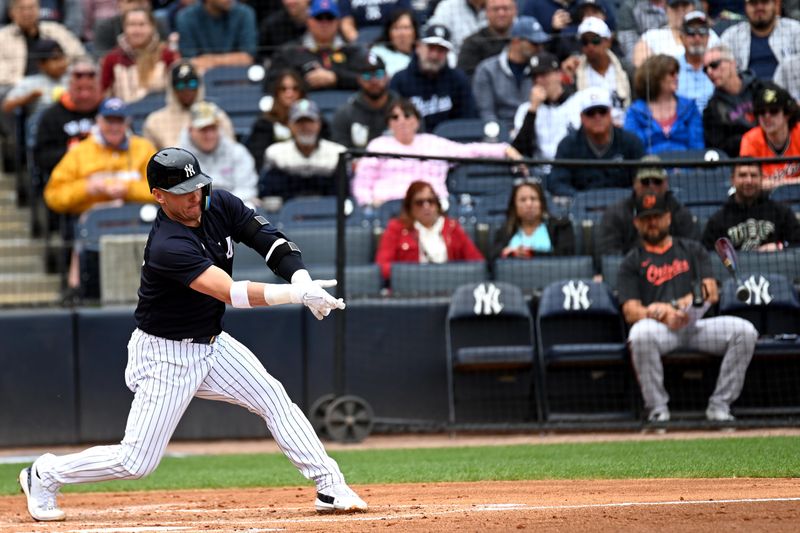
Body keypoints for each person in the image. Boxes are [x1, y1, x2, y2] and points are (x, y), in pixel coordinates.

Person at [19, 146, 367, 523]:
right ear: (158, 196)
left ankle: (330, 485)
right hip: (166, 355)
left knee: (273, 398)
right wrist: (295, 295)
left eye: (197, 186)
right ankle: (44, 473)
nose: (194, 197)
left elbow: (269, 240)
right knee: (136, 462)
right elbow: (229, 292)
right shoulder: (168, 245)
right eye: (183, 191)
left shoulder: (218, 204)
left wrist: (302, 279)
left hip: (212, 343)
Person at [619, 190, 758, 423]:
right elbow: (631, 311)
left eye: (657, 216)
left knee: (745, 332)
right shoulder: (631, 260)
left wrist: (676, 306)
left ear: (668, 217)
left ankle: (720, 406)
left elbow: (710, 291)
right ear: (637, 223)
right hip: (661, 330)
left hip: (697, 325)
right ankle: (657, 410)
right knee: (639, 334)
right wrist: (657, 313)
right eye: (646, 218)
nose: (652, 222)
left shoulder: (692, 249)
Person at [43, 97, 157, 297]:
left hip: (136, 220)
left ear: (127, 123)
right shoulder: (80, 152)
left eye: (118, 121)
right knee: (83, 229)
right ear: (99, 121)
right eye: (109, 121)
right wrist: (87, 188)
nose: (114, 126)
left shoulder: (143, 148)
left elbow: (164, 190)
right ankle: (79, 290)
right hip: (93, 222)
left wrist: (128, 189)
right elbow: (53, 195)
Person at [352, 98, 522, 207]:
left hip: (432, 206)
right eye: (395, 118)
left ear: (417, 121)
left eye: (407, 115)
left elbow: (469, 150)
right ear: (389, 124)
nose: (401, 121)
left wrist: (504, 149)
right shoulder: (378, 145)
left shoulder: (432, 142)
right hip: (390, 208)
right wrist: (368, 204)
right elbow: (362, 183)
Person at [595, 154, 698, 259]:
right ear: (635, 183)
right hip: (632, 272)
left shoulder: (680, 213)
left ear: (666, 183)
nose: (651, 186)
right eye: (645, 182)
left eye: (657, 181)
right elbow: (609, 258)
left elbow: (691, 253)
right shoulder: (615, 215)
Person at [375, 180, 483, 280]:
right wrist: (410, 275)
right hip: (411, 289)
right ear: (409, 207)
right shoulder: (397, 228)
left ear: (437, 204)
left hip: (448, 285)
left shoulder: (452, 227)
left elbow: (477, 262)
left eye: (431, 201)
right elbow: (382, 266)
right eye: (419, 202)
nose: (426, 206)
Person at [548, 87, 645, 198]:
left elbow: (642, 179)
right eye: (591, 113)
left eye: (602, 112)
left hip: (624, 208)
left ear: (610, 114)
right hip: (581, 210)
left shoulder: (630, 142)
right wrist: (582, 198)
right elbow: (557, 183)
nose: (597, 117)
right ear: (582, 117)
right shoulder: (568, 145)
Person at [389, 25, 477, 133]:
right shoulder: (400, 80)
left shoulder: (458, 79)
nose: (434, 55)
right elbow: (393, 120)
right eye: (430, 48)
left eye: (441, 50)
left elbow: (467, 120)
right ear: (418, 48)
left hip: (451, 144)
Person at [702, 160, 800, 251]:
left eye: (753, 175)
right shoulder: (718, 220)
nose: (749, 181)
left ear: (762, 178)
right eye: (742, 175)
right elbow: (707, 254)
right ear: (732, 180)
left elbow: (797, 244)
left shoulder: (782, 213)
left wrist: (779, 247)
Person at [268, 0, 366, 91]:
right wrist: (305, 80)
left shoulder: (352, 51)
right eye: (319, 18)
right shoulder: (290, 51)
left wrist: (336, 78)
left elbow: (370, 79)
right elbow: (270, 83)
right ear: (309, 21)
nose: (324, 23)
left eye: (329, 17)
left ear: (337, 22)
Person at [472, 16, 549, 128]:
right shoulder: (487, 69)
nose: (539, 48)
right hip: (500, 135)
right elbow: (486, 112)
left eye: (541, 43)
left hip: (534, 131)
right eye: (534, 43)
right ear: (516, 41)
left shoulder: (542, 69)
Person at [262, 98, 346, 199]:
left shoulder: (337, 153)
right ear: (290, 125)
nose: (305, 127)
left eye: (310, 121)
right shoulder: (275, 153)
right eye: (299, 122)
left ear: (319, 124)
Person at [178, 101, 258, 205]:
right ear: (190, 130)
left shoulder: (237, 152)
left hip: (231, 208)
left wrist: (220, 206)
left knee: (249, 205)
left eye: (213, 128)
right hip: (194, 210)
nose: (209, 135)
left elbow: (247, 190)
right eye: (203, 130)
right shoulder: (178, 159)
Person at [33, 57, 102, 178]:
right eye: (79, 89)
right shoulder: (51, 116)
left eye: (90, 89)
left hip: (108, 177)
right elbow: (41, 159)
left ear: (99, 88)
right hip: (68, 178)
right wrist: (69, 152)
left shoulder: (110, 112)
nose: (85, 95)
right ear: (69, 86)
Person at [142, 61, 235, 150]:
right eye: (180, 85)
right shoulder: (154, 121)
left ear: (199, 86)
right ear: (172, 88)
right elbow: (150, 159)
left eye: (192, 84)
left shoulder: (216, 114)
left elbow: (230, 151)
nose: (187, 90)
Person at [0, 0, 86, 95]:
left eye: (31, 8)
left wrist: (65, 73)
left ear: (39, 9)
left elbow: (80, 58)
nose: (27, 13)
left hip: (59, 84)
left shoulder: (57, 31)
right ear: (11, 12)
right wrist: (27, 85)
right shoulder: (2, 37)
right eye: (21, 9)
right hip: (16, 88)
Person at [624, 54, 704, 154]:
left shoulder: (690, 107)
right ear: (656, 77)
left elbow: (697, 147)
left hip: (686, 166)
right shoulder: (635, 112)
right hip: (650, 167)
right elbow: (633, 149)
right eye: (672, 73)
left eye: (677, 73)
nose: (676, 77)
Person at [511, 51, 580, 160]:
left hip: (570, 168)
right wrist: (533, 110)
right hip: (538, 170)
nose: (538, 81)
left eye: (543, 75)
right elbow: (520, 149)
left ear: (559, 74)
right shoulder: (526, 109)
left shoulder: (577, 103)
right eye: (534, 77)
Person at [100, 7, 178, 102]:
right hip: (125, 113)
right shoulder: (112, 58)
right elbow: (104, 93)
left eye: (142, 24)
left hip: (159, 113)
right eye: (131, 25)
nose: (137, 30)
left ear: (152, 27)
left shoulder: (167, 55)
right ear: (124, 28)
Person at [491, 179, 575, 260]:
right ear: (514, 205)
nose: (529, 204)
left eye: (533, 199)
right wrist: (510, 253)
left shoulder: (561, 227)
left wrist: (531, 253)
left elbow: (566, 259)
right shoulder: (504, 231)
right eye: (523, 200)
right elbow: (492, 259)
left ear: (542, 203)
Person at [702, 45, 760, 157]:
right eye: (705, 69)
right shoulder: (712, 110)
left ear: (732, 63)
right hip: (741, 161)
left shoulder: (759, 88)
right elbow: (719, 148)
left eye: (714, 65)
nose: (709, 72)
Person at [573, 16, 632, 126]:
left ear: (608, 42)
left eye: (595, 40)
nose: (590, 46)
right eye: (585, 42)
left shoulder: (626, 69)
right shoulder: (576, 74)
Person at [739, 81, 800, 188]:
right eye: (761, 112)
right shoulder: (750, 139)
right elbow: (751, 184)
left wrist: (777, 184)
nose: (767, 117)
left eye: (774, 111)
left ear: (787, 114)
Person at [330, 53, 397, 148]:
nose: (374, 80)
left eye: (379, 74)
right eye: (367, 75)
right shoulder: (345, 113)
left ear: (387, 76)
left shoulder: (403, 111)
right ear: (359, 79)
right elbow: (341, 151)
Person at [720, 0, 800, 80]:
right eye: (753, 3)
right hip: (748, 91)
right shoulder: (731, 36)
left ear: (775, 5)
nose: (759, 7)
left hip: (787, 91)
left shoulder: (795, 30)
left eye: (764, 2)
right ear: (745, 6)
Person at [175, 0, 258, 73]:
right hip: (202, 82)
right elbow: (191, 62)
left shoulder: (245, 13)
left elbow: (247, 58)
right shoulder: (186, 17)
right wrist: (232, 59)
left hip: (238, 80)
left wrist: (209, 60)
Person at [632, 0, 714, 67]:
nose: (680, 10)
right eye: (675, 6)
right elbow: (640, 65)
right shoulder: (652, 36)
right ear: (666, 9)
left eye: (685, 5)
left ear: (693, 7)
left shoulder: (707, 33)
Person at [2, 38, 69, 116]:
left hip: (69, 123)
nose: (61, 64)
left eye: (62, 58)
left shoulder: (74, 77)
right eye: (55, 59)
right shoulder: (30, 82)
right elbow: (6, 106)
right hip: (40, 124)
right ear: (41, 64)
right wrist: (29, 98)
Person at [457, 0, 517, 77]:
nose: (501, 13)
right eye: (496, 9)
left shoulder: (524, 40)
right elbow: (466, 78)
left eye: (505, 8)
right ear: (486, 12)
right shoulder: (472, 43)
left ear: (515, 10)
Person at [93, 0, 170, 58]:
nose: (135, 6)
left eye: (140, 2)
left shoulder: (159, 24)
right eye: (130, 1)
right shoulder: (105, 26)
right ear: (119, 4)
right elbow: (101, 59)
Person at [676, 10, 714, 114]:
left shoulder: (718, 66)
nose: (697, 38)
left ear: (708, 37)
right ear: (681, 37)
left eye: (702, 31)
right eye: (691, 32)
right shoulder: (671, 67)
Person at [368, 8, 417, 78]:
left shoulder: (423, 52)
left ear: (415, 31)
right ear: (388, 32)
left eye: (406, 28)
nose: (402, 34)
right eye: (396, 28)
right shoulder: (377, 52)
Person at [338, 0, 410, 44]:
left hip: (392, 37)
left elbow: (405, 18)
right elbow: (346, 24)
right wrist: (359, 43)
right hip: (361, 37)